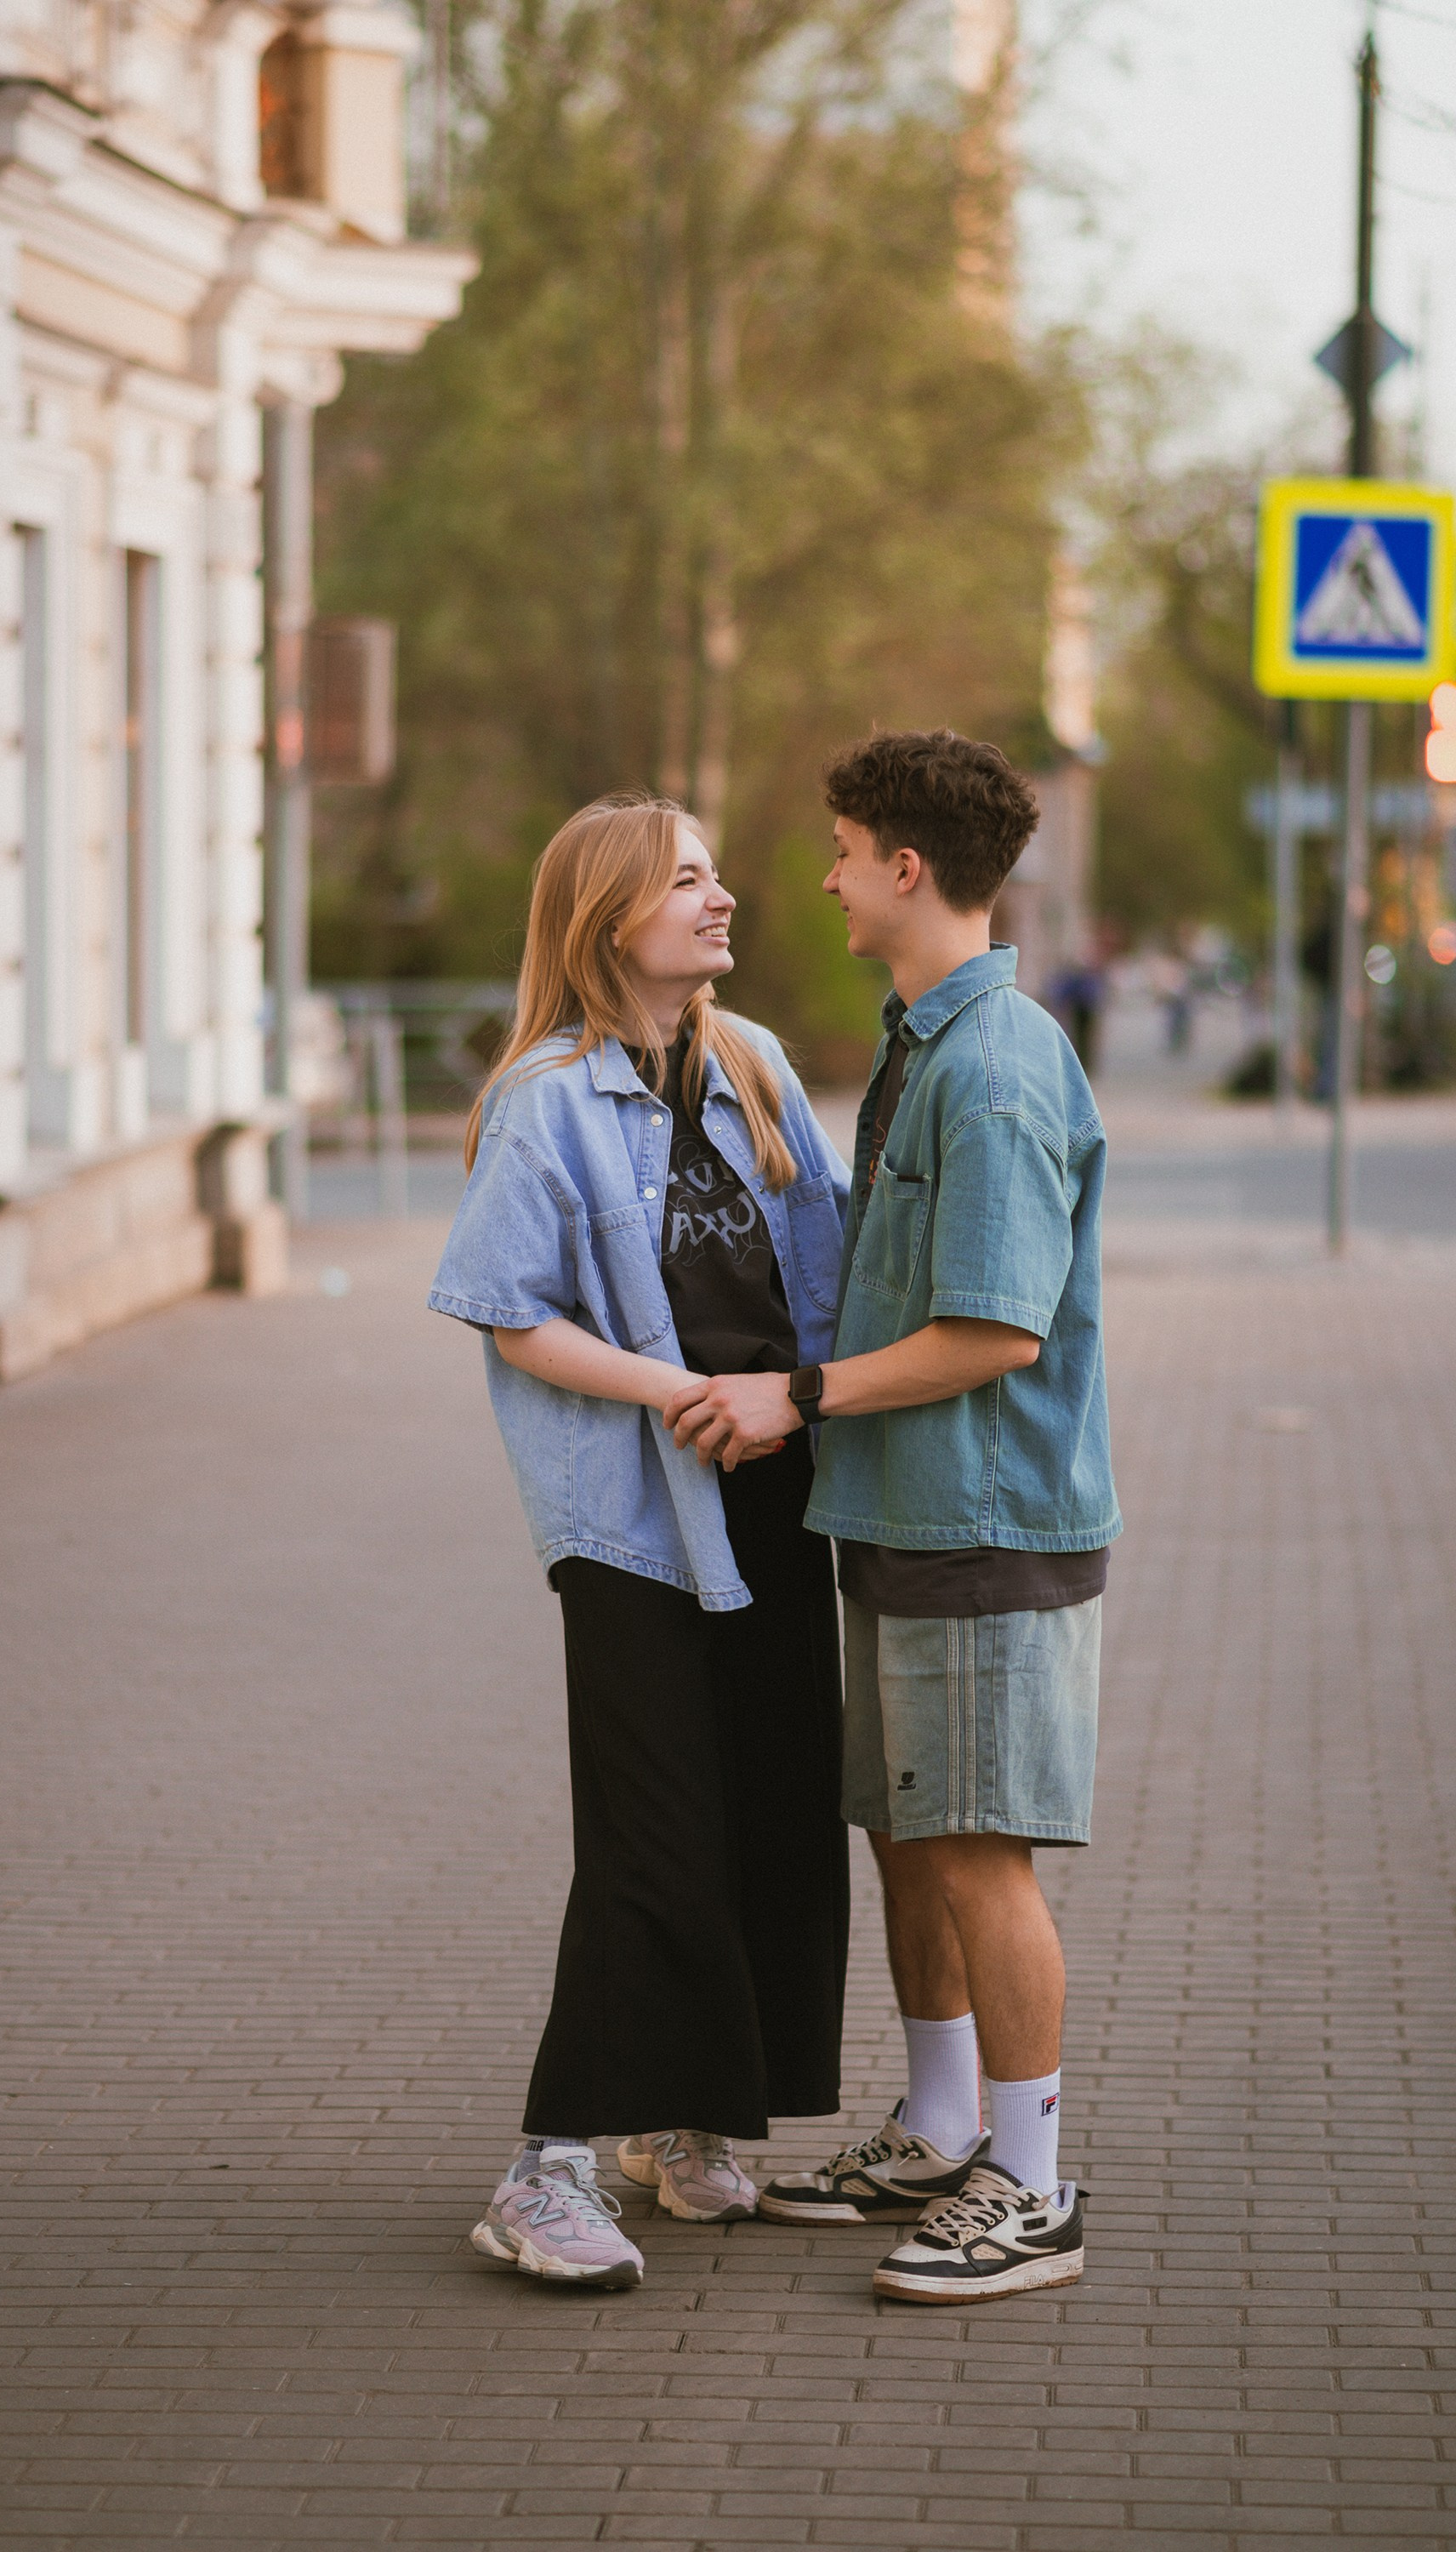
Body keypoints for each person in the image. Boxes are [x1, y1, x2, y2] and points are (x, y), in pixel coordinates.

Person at [671, 729, 1120, 2306]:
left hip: (984, 1526)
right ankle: (940, 2132)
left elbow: (993, 1331)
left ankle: (1032, 2187)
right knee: (913, 1833)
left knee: (981, 1854)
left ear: (908, 868)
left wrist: (797, 1396)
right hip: (906, 1515)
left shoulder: (992, 1072)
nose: (828, 880)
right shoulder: (927, 1042)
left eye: (848, 853)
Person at [429, 792, 851, 2292]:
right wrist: (676, 1391)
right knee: (653, 1833)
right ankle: (543, 2169)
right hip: (630, 1515)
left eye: (717, 873)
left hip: (778, 1497)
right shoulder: (547, 1097)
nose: (723, 897)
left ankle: (681, 2124)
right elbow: (508, 1310)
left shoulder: (756, 1067)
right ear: (610, 918)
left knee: (769, 1815)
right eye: (688, 879)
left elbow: (829, 1275)